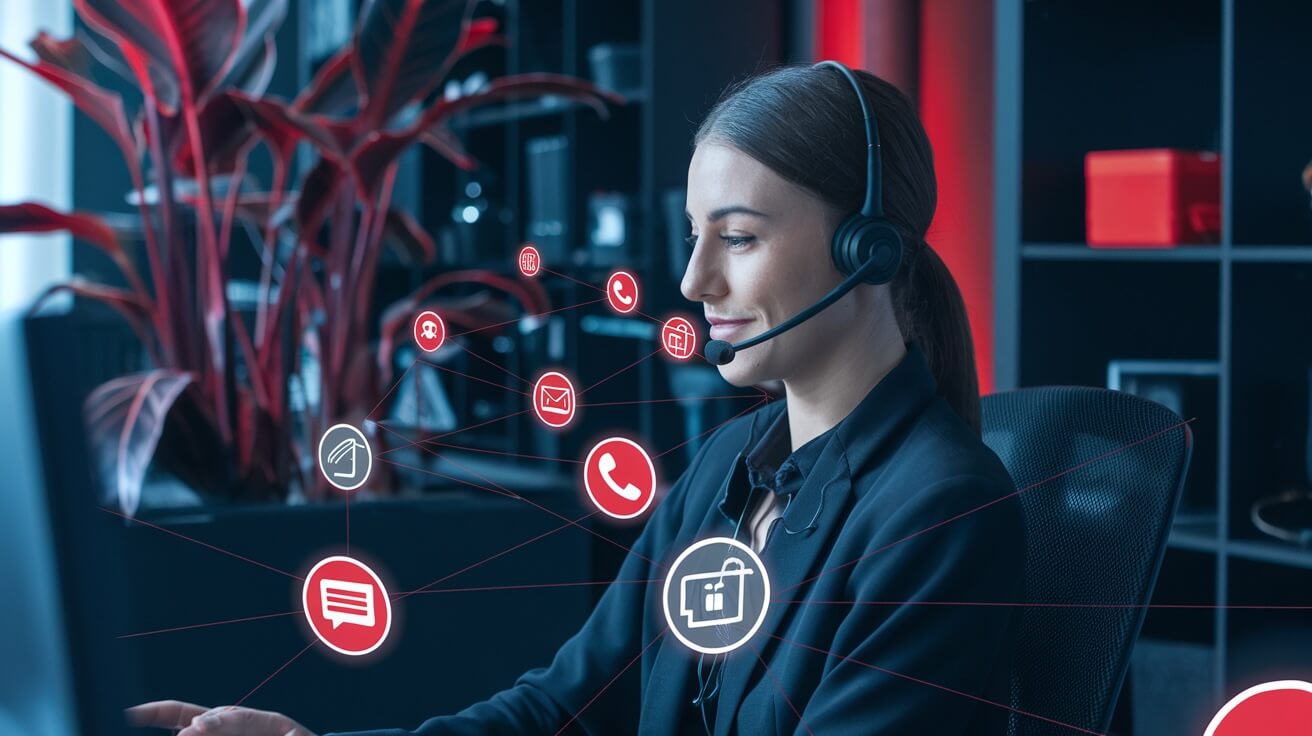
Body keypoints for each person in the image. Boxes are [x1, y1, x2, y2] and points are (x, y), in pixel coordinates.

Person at [129, 61, 1024, 736]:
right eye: (691, 237)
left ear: (868, 249)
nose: (692, 278)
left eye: (739, 238)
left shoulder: (942, 515)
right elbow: (565, 706)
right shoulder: (726, 469)